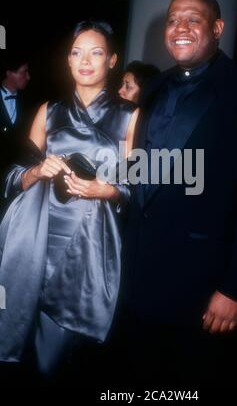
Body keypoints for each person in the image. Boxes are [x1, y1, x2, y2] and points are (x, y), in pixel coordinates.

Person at [120, 0, 237, 386]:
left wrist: (235, 288)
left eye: (194, 19)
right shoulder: (154, 86)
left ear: (217, 28)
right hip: (139, 279)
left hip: (204, 287)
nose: (181, 28)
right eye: (174, 19)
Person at [0, 20, 138, 377]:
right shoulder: (49, 110)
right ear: (67, 60)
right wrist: (36, 171)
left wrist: (104, 189)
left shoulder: (129, 115)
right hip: (38, 233)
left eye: (96, 52)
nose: (85, 60)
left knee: (61, 343)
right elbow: (15, 177)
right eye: (77, 52)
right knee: (26, 327)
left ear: (112, 60)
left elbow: (134, 186)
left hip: (89, 237)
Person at [0, 52, 31, 188]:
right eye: (23, 72)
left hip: (18, 174)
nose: (28, 77)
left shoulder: (31, 101)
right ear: (9, 74)